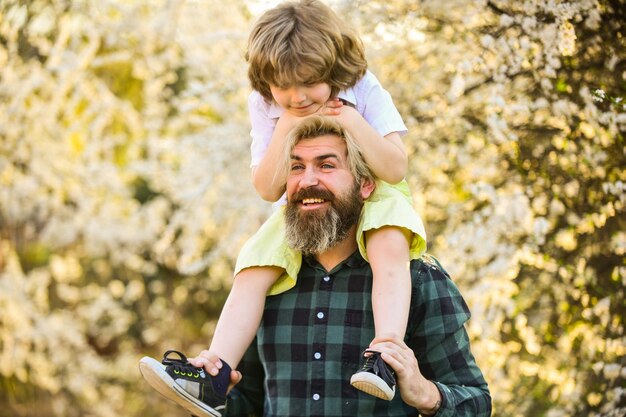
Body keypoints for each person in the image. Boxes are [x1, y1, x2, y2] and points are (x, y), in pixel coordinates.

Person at [140, 0, 427, 414]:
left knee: (387, 252)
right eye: (283, 86)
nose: (296, 96)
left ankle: (383, 355)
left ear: (333, 69)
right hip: (304, 203)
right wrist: (286, 128)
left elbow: (395, 167)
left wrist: (350, 120)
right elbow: (266, 186)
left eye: (309, 83)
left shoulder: (361, 87)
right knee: (254, 265)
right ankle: (214, 373)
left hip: (373, 190)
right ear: (266, 81)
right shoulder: (267, 105)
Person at [143, 116, 491, 416]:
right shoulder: (268, 281)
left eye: (326, 165)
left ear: (366, 184)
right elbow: (248, 402)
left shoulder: (415, 279)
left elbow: (477, 403)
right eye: (297, 167)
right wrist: (206, 394)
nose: (307, 181)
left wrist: (425, 393)